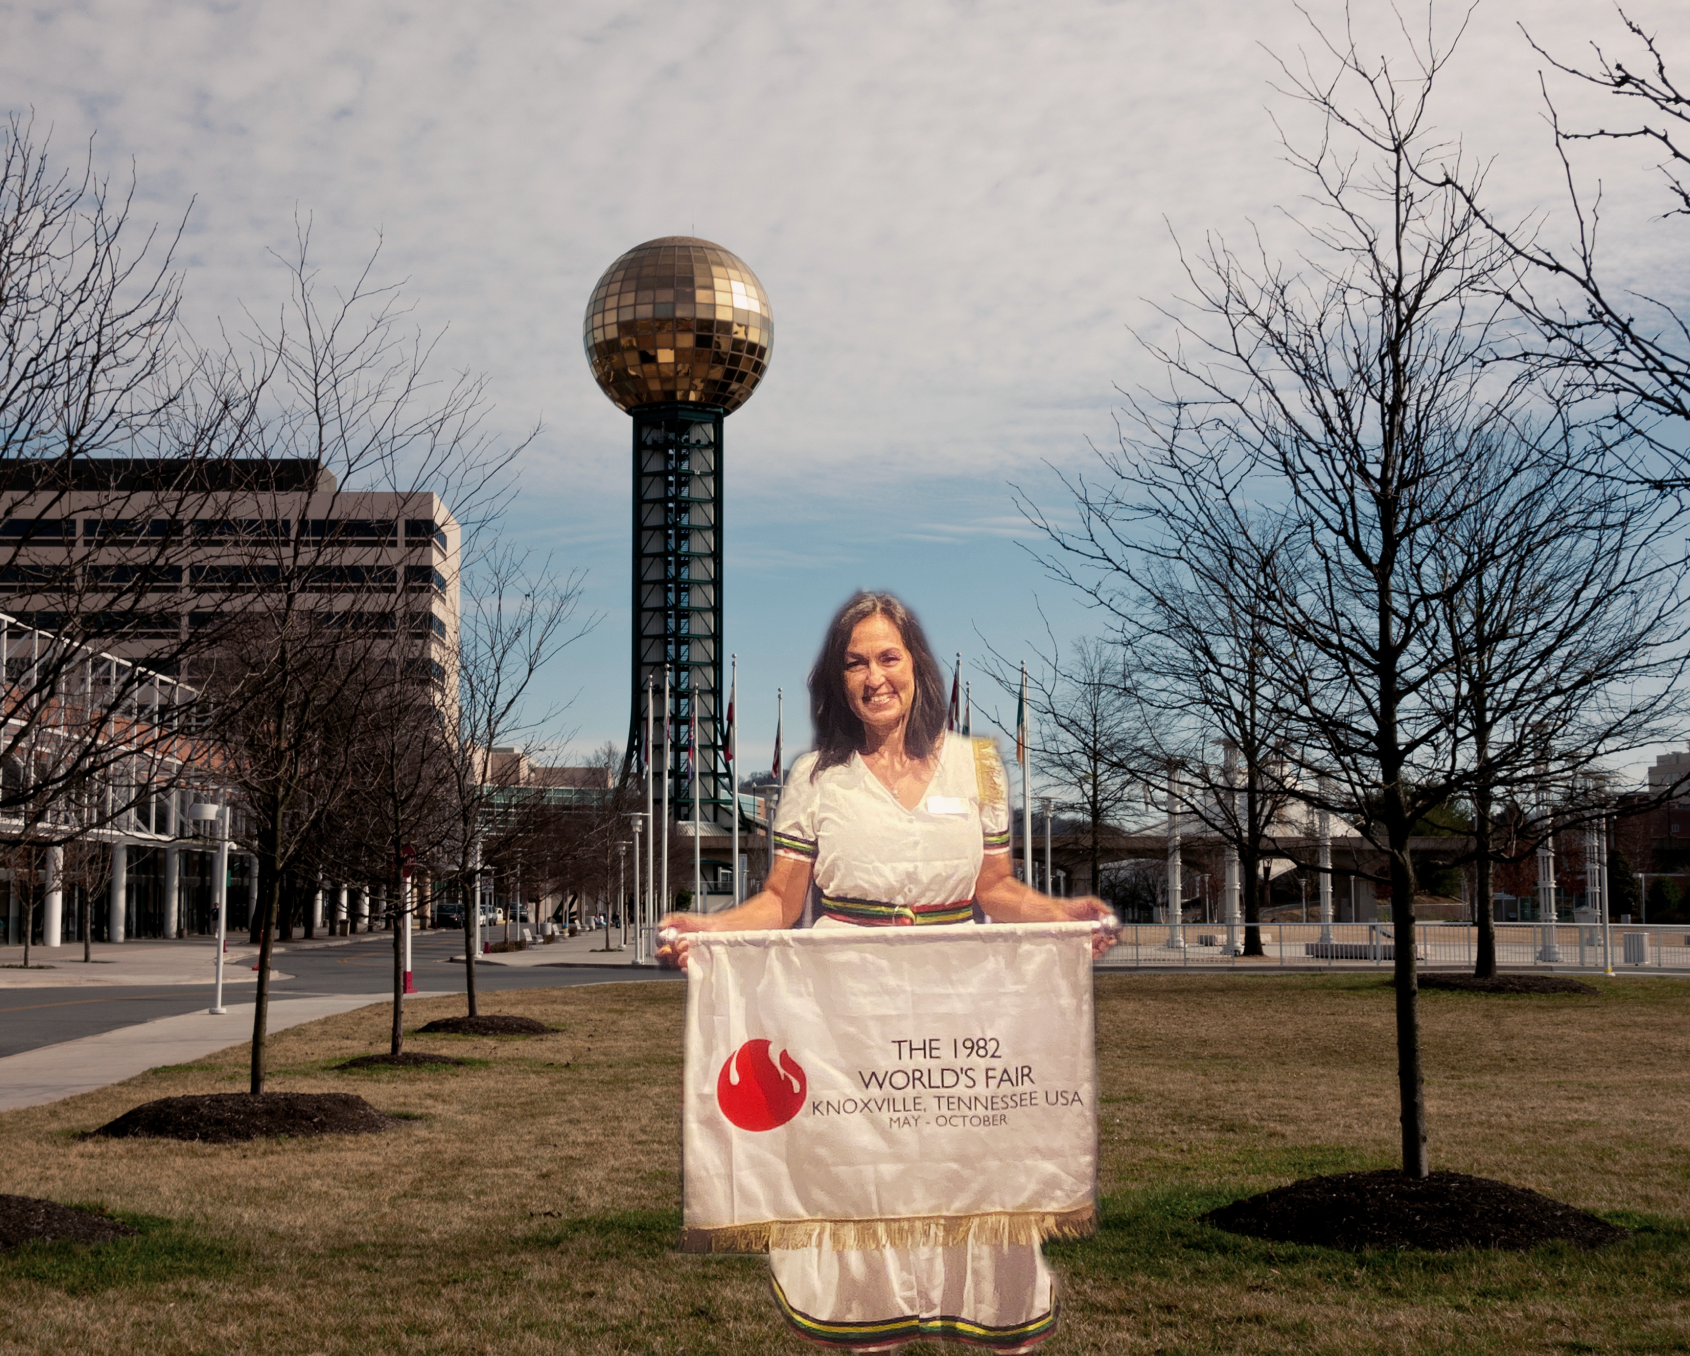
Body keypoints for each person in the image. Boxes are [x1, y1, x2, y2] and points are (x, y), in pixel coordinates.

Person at [659, 590, 1115, 1354]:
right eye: (856, 662)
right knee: (863, 1181)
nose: (874, 676)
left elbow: (994, 889)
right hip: (849, 1016)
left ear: (917, 666)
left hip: (959, 1006)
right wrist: (705, 929)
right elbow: (781, 901)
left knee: (970, 1173)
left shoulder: (979, 765)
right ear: (838, 680)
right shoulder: (814, 776)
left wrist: (1063, 920)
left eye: (888, 657)